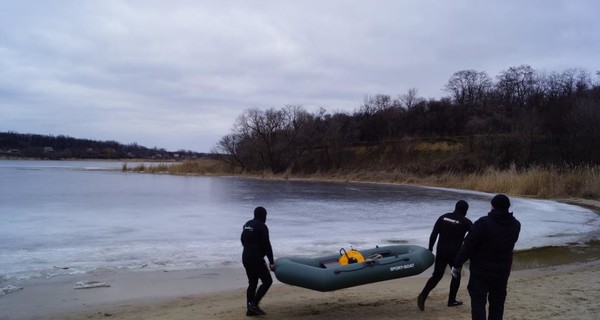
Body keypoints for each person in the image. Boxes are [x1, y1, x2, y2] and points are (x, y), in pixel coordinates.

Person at [452, 194, 521, 320]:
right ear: (508, 207)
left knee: (478, 303)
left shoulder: (483, 223)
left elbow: (468, 245)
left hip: (480, 271)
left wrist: (457, 264)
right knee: (497, 304)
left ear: (492, 206)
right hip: (502, 271)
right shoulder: (516, 225)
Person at [418, 200, 472, 311]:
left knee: (437, 276)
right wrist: (466, 246)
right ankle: (451, 300)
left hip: (441, 251)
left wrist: (430, 249)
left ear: (455, 207)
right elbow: (473, 237)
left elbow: (434, 234)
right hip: (456, 253)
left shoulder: (443, 217)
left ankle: (423, 295)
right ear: (466, 210)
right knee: (455, 275)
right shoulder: (466, 222)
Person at [241, 206, 275, 317]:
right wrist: (271, 261)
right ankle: (253, 305)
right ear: (263, 216)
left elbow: (243, 240)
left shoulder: (247, 224)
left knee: (252, 283)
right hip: (255, 258)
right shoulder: (262, 226)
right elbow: (267, 245)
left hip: (245, 256)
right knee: (267, 281)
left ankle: (250, 310)